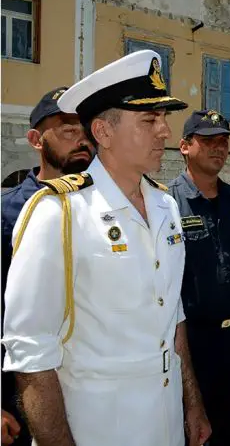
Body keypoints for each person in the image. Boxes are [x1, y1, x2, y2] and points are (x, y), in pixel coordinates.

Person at [1, 50, 211, 446]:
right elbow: (30, 351)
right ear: (103, 132)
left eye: (164, 118)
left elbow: (172, 313)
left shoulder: (165, 205)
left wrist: (192, 404)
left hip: (165, 423)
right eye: (150, 119)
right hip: (99, 429)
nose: (165, 131)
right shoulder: (58, 212)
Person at [1, 87, 96, 446]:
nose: (82, 141)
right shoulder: (7, 212)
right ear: (35, 139)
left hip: (90, 390)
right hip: (19, 394)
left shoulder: (106, 209)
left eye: (86, 132)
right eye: (69, 131)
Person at [168, 109, 230, 445]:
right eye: (207, 141)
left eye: (223, 142)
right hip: (189, 346)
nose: (218, 148)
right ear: (185, 147)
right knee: (190, 435)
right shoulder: (168, 204)